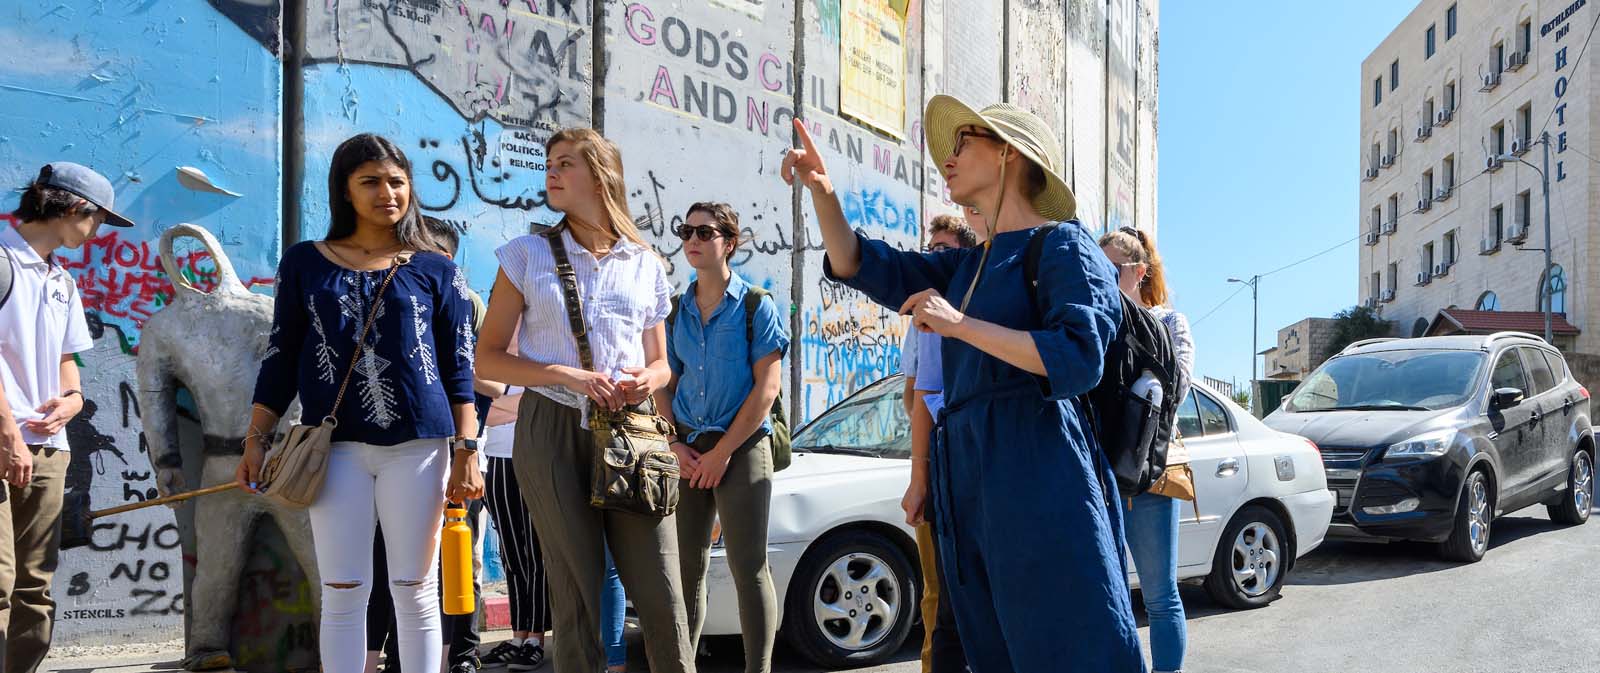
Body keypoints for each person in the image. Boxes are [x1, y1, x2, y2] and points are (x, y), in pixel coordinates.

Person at [782, 98, 1144, 672]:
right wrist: (824, 192)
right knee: (990, 642)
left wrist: (960, 325)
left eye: (962, 144)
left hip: (1038, 460)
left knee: (1067, 637)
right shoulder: (966, 265)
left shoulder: (1062, 245)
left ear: (1007, 152)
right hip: (968, 467)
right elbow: (858, 262)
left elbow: (1078, 356)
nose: (946, 159)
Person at [237, 133, 485, 673]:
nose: (386, 193)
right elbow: (281, 357)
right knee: (344, 588)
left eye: (397, 182)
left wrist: (468, 448)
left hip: (419, 446)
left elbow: (460, 368)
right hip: (335, 449)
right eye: (370, 182)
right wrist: (257, 439)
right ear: (345, 191)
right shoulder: (305, 263)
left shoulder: (436, 269)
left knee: (414, 586)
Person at [476, 127, 694, 673]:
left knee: (663, 585)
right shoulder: (525, 254)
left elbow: (663, 363)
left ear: (601, 177)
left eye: (566, 163)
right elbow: (487, 359)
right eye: (549, 163)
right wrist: (566, 374)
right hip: (549, 424)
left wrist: (648, 379)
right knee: (575, 588)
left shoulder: (645, 263)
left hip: (631, 429)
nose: (551, 172)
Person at [0, 162, 132, 673]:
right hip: (5, 439)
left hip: (50, 449)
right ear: (73, 208)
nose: (96, 232)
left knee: (35, 584)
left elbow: (65, 358)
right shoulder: (5, 260)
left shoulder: (61, 280)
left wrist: (74, 399)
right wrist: (8, 433)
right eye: (97, 220)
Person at [654, 203, 786, 673]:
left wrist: (723, 453)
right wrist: (673, 444)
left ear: (728, 242)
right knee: (685, 569)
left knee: (748, 567)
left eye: (704, 231)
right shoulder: (673, 310)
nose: (691, 238)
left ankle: (759, 668)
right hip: (687, 447)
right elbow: (663, 384)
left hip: (743, 446)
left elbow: (766, 390)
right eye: (685, 229)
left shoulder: (755, 305)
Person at [363, 217, 495, 673]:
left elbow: (486, 383)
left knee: (451, 567)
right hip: (396, 449)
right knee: (389, 566)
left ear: (443, 257)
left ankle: (456, 654)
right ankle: (398, 657)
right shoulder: (387, 292)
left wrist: (467, 449)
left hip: (452, 453)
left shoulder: (464, 300)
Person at [1099, 227, 1193, 673]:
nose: (1101, 275)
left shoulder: (1169, 323)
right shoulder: (1093, 322)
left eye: (1111, 268)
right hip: (1099, 475)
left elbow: (1176, 391)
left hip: (1152, 472)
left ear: (1137, 272)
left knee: (1159, 594)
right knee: (1107, 595)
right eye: (1096, 266)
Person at [901, 211, 981, 673]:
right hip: (942, 462)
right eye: (930, 251)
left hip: (975, 464)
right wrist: (920, 474)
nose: (934, 260)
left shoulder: (968, 306)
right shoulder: (926, 317)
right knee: (940, 596)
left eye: (944, 252)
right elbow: (918, 398)